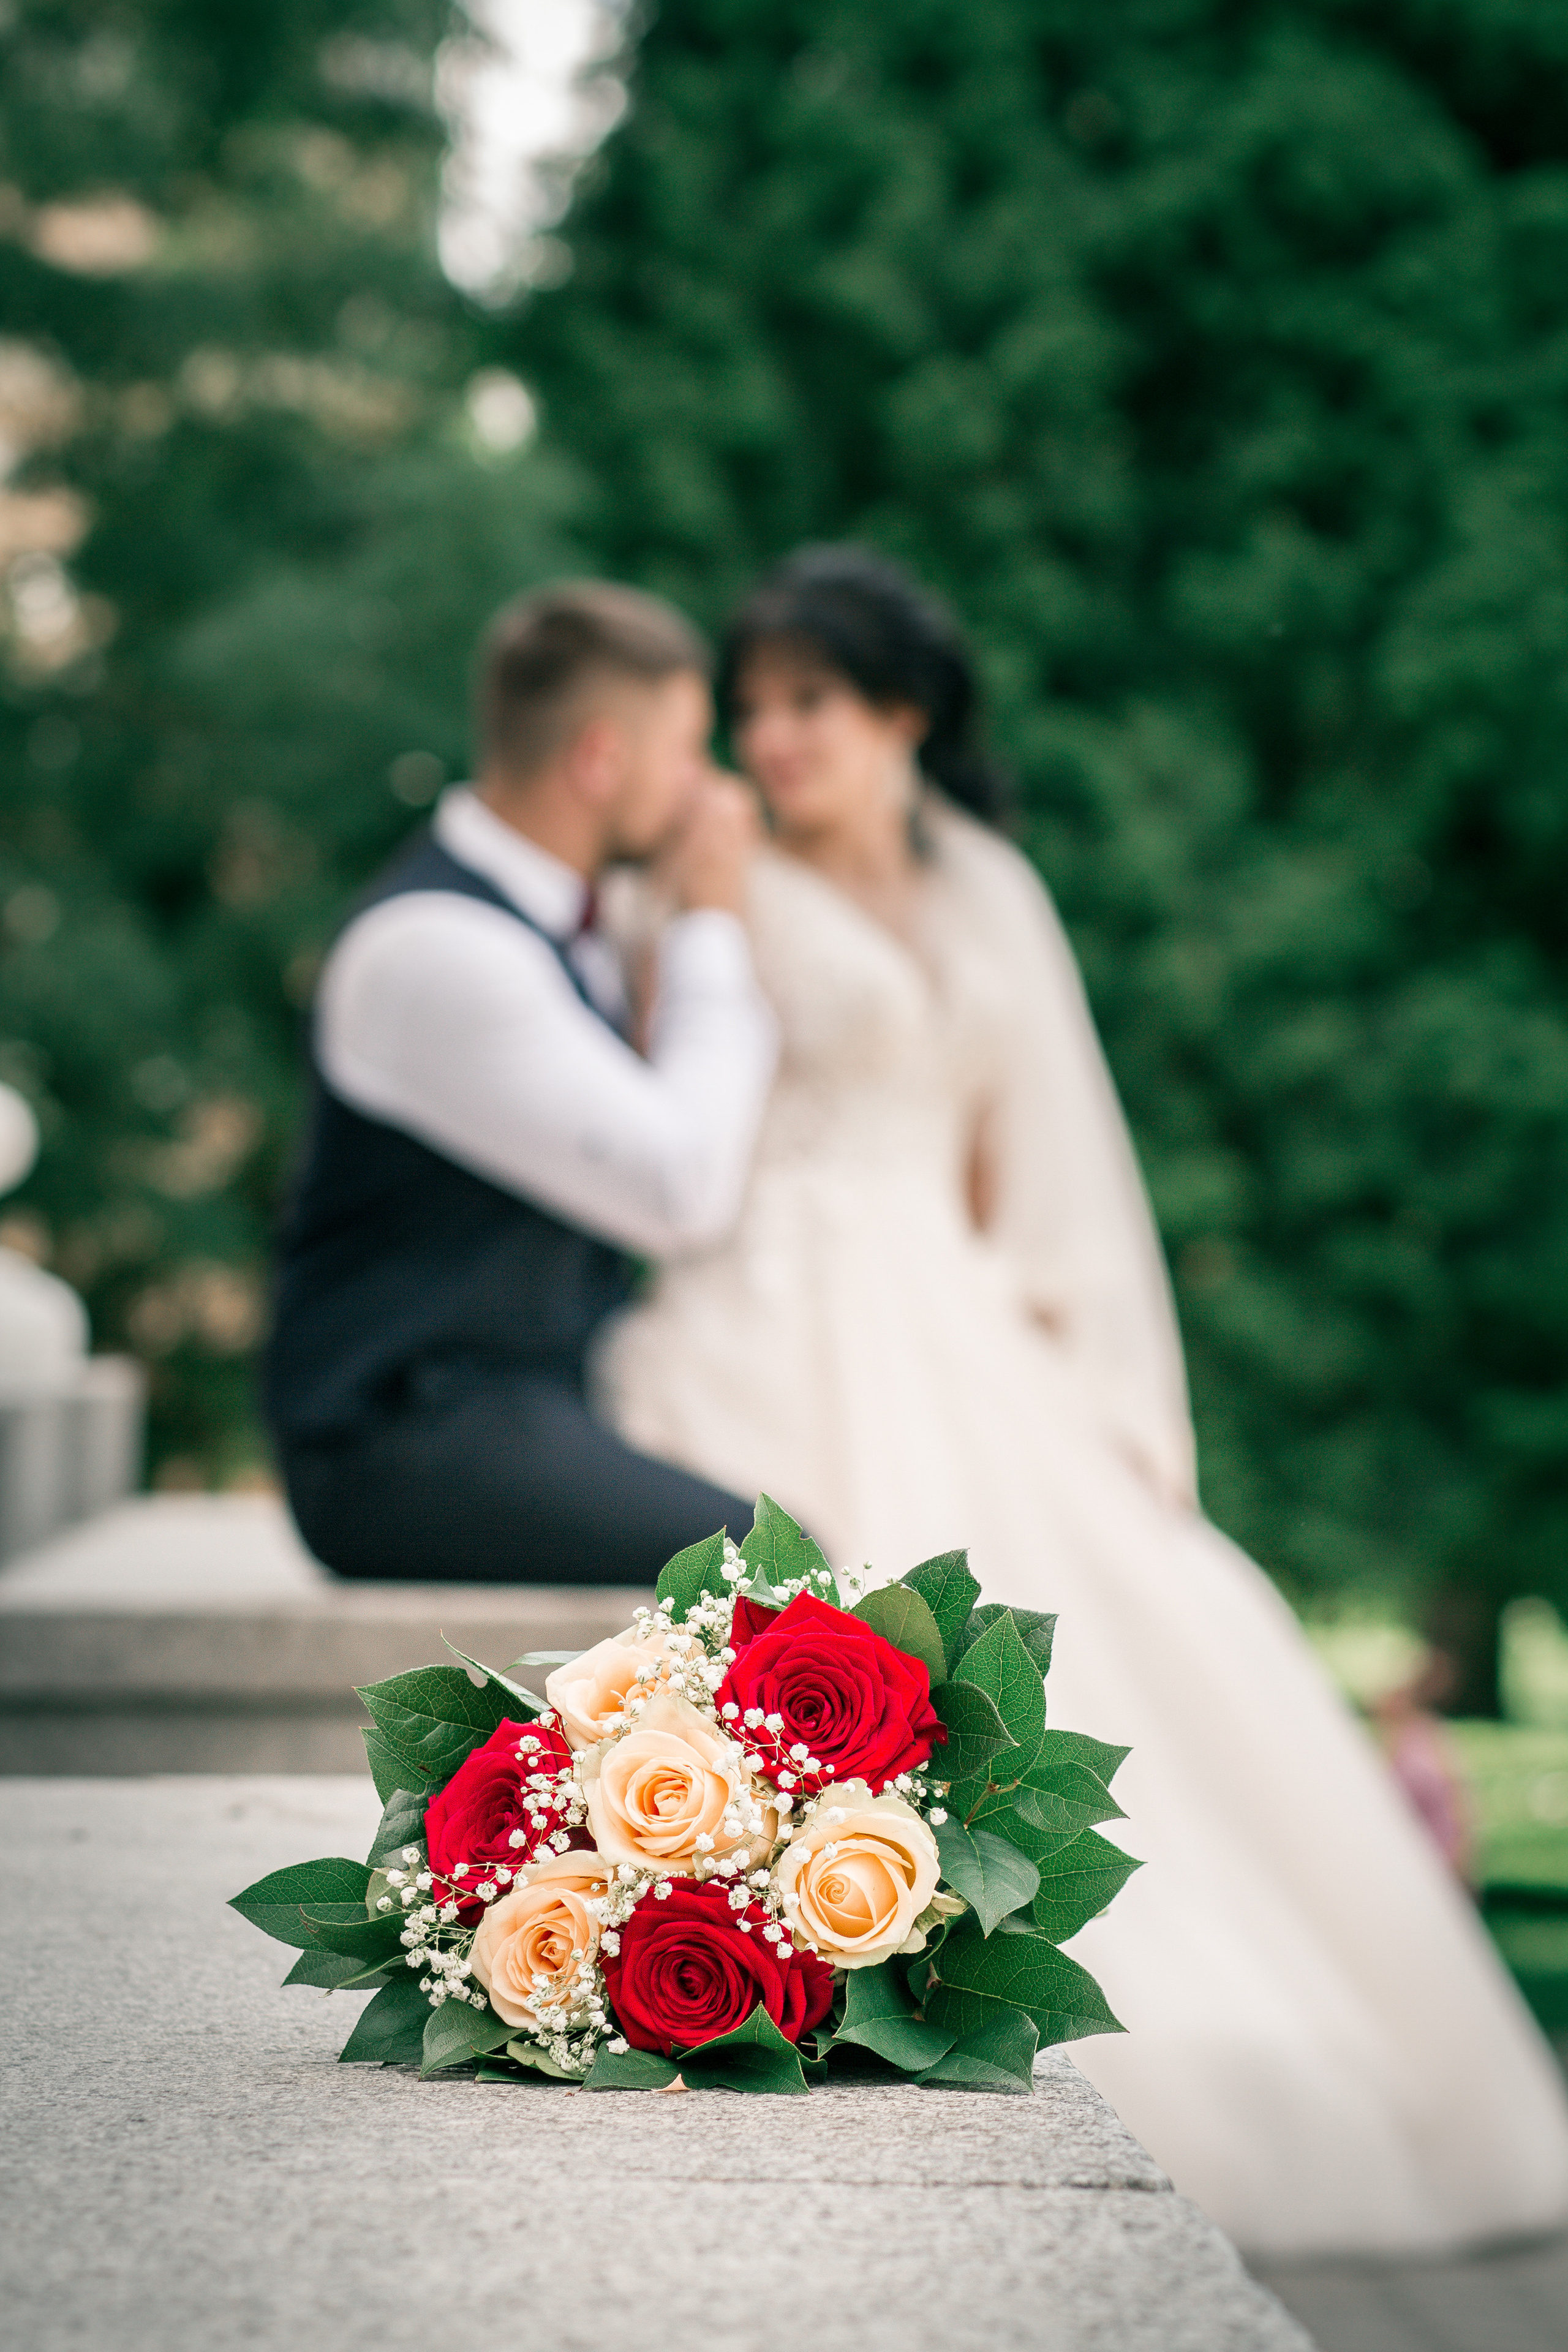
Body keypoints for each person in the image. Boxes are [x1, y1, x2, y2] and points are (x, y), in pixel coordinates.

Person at [595, 545, 1568, 2253]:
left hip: (949, 1310)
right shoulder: (708, 863)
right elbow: (673, 1109)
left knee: (1134, 1627)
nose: (774, 738)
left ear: (902, 712)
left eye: (808, 702)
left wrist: (1116, 1393)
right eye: (751, 709)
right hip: (754, 1304)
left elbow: (1053, 1164)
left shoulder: (985, 887)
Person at [264, 581, 776, 1585]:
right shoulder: (438, 950)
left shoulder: (558, 922)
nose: (699, 789)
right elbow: (680, 1191)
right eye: (685, 752)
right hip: (402, 1434)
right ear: (599, 758)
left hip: (527, 1400)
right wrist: (714, 923)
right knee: (768, 1569)